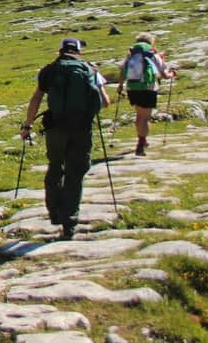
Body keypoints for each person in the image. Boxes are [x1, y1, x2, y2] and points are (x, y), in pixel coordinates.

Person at [21, 37, 111, 240]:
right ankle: (69, 222)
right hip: (82, 128)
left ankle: (54, 211)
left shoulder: (49, 70)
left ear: (60, 51)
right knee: (75, 173)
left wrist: (27, 125)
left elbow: (36, 98)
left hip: (56, 127)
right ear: (78, 52)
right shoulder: (90, 70)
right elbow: (105, 102)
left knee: (55, 166)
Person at [116, 32, 176, 156]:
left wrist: (120, 85)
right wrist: (171, 74)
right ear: (151, 42)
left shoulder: (131, 53)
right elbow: (164, 75)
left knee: (139, 115)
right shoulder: (152, 54)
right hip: (148, 88)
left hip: (132, 88)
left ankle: (143, 140)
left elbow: (122, 70)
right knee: (145, 117)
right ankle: (141, 144)